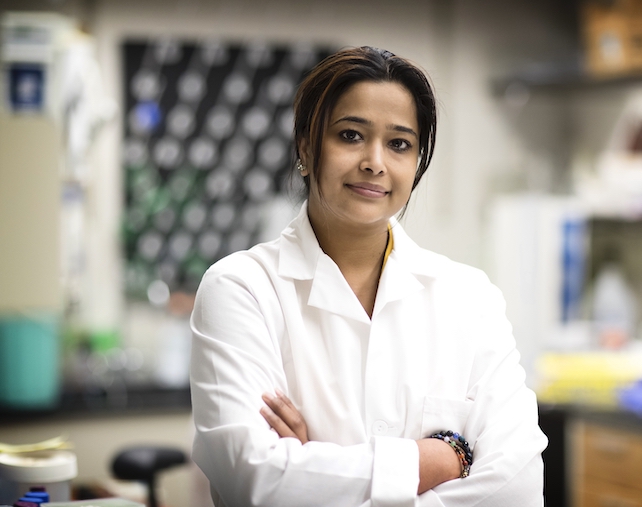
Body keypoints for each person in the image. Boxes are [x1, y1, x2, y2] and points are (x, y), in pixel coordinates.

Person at [190, 46, 547, 507]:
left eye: (399, 143)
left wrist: (314, 463)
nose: (375, 162)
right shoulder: (241, 289)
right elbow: (254, 478)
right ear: (306, 146)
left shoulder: (469, 297)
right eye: (351, 135)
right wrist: (440, 459)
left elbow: (517, 489)